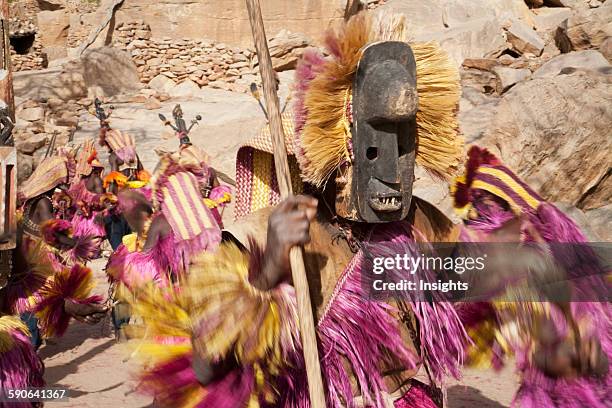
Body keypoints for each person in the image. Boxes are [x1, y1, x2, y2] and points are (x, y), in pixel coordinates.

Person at [128, 11, 608, 407]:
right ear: (339, 146)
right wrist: (270, 269)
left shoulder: (418, 221)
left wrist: (534, 283)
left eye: (407, 144)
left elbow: (462, 288)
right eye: (380, 143)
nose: (398, 166)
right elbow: (207, 366)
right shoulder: (264, 236)